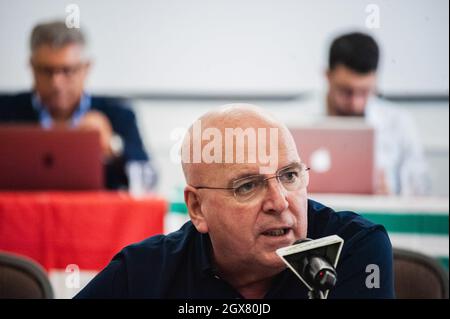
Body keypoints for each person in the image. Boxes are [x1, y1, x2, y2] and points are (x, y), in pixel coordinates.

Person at [75, 104, 394, 299]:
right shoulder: (143, 274)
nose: (280, 203)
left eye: (289, 176)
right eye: (248, 186)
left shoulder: (354, 250)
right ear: (198, 208)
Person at [0, 21, 157, 190]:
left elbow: (150, 183)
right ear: (31, 67)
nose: (56, 83)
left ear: (86, 68)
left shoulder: (119, 115)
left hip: (95, 216)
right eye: (47, 71)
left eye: (67, 71)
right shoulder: (5, 111)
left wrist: (113, 146)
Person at [303, 32, 429, 196]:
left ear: (375, 80)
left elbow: (422, 193)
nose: (355, 103)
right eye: (346, 91)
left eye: (364, 92)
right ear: (327, 76)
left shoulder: (399, 123)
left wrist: (392, 198)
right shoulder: (294, 119)